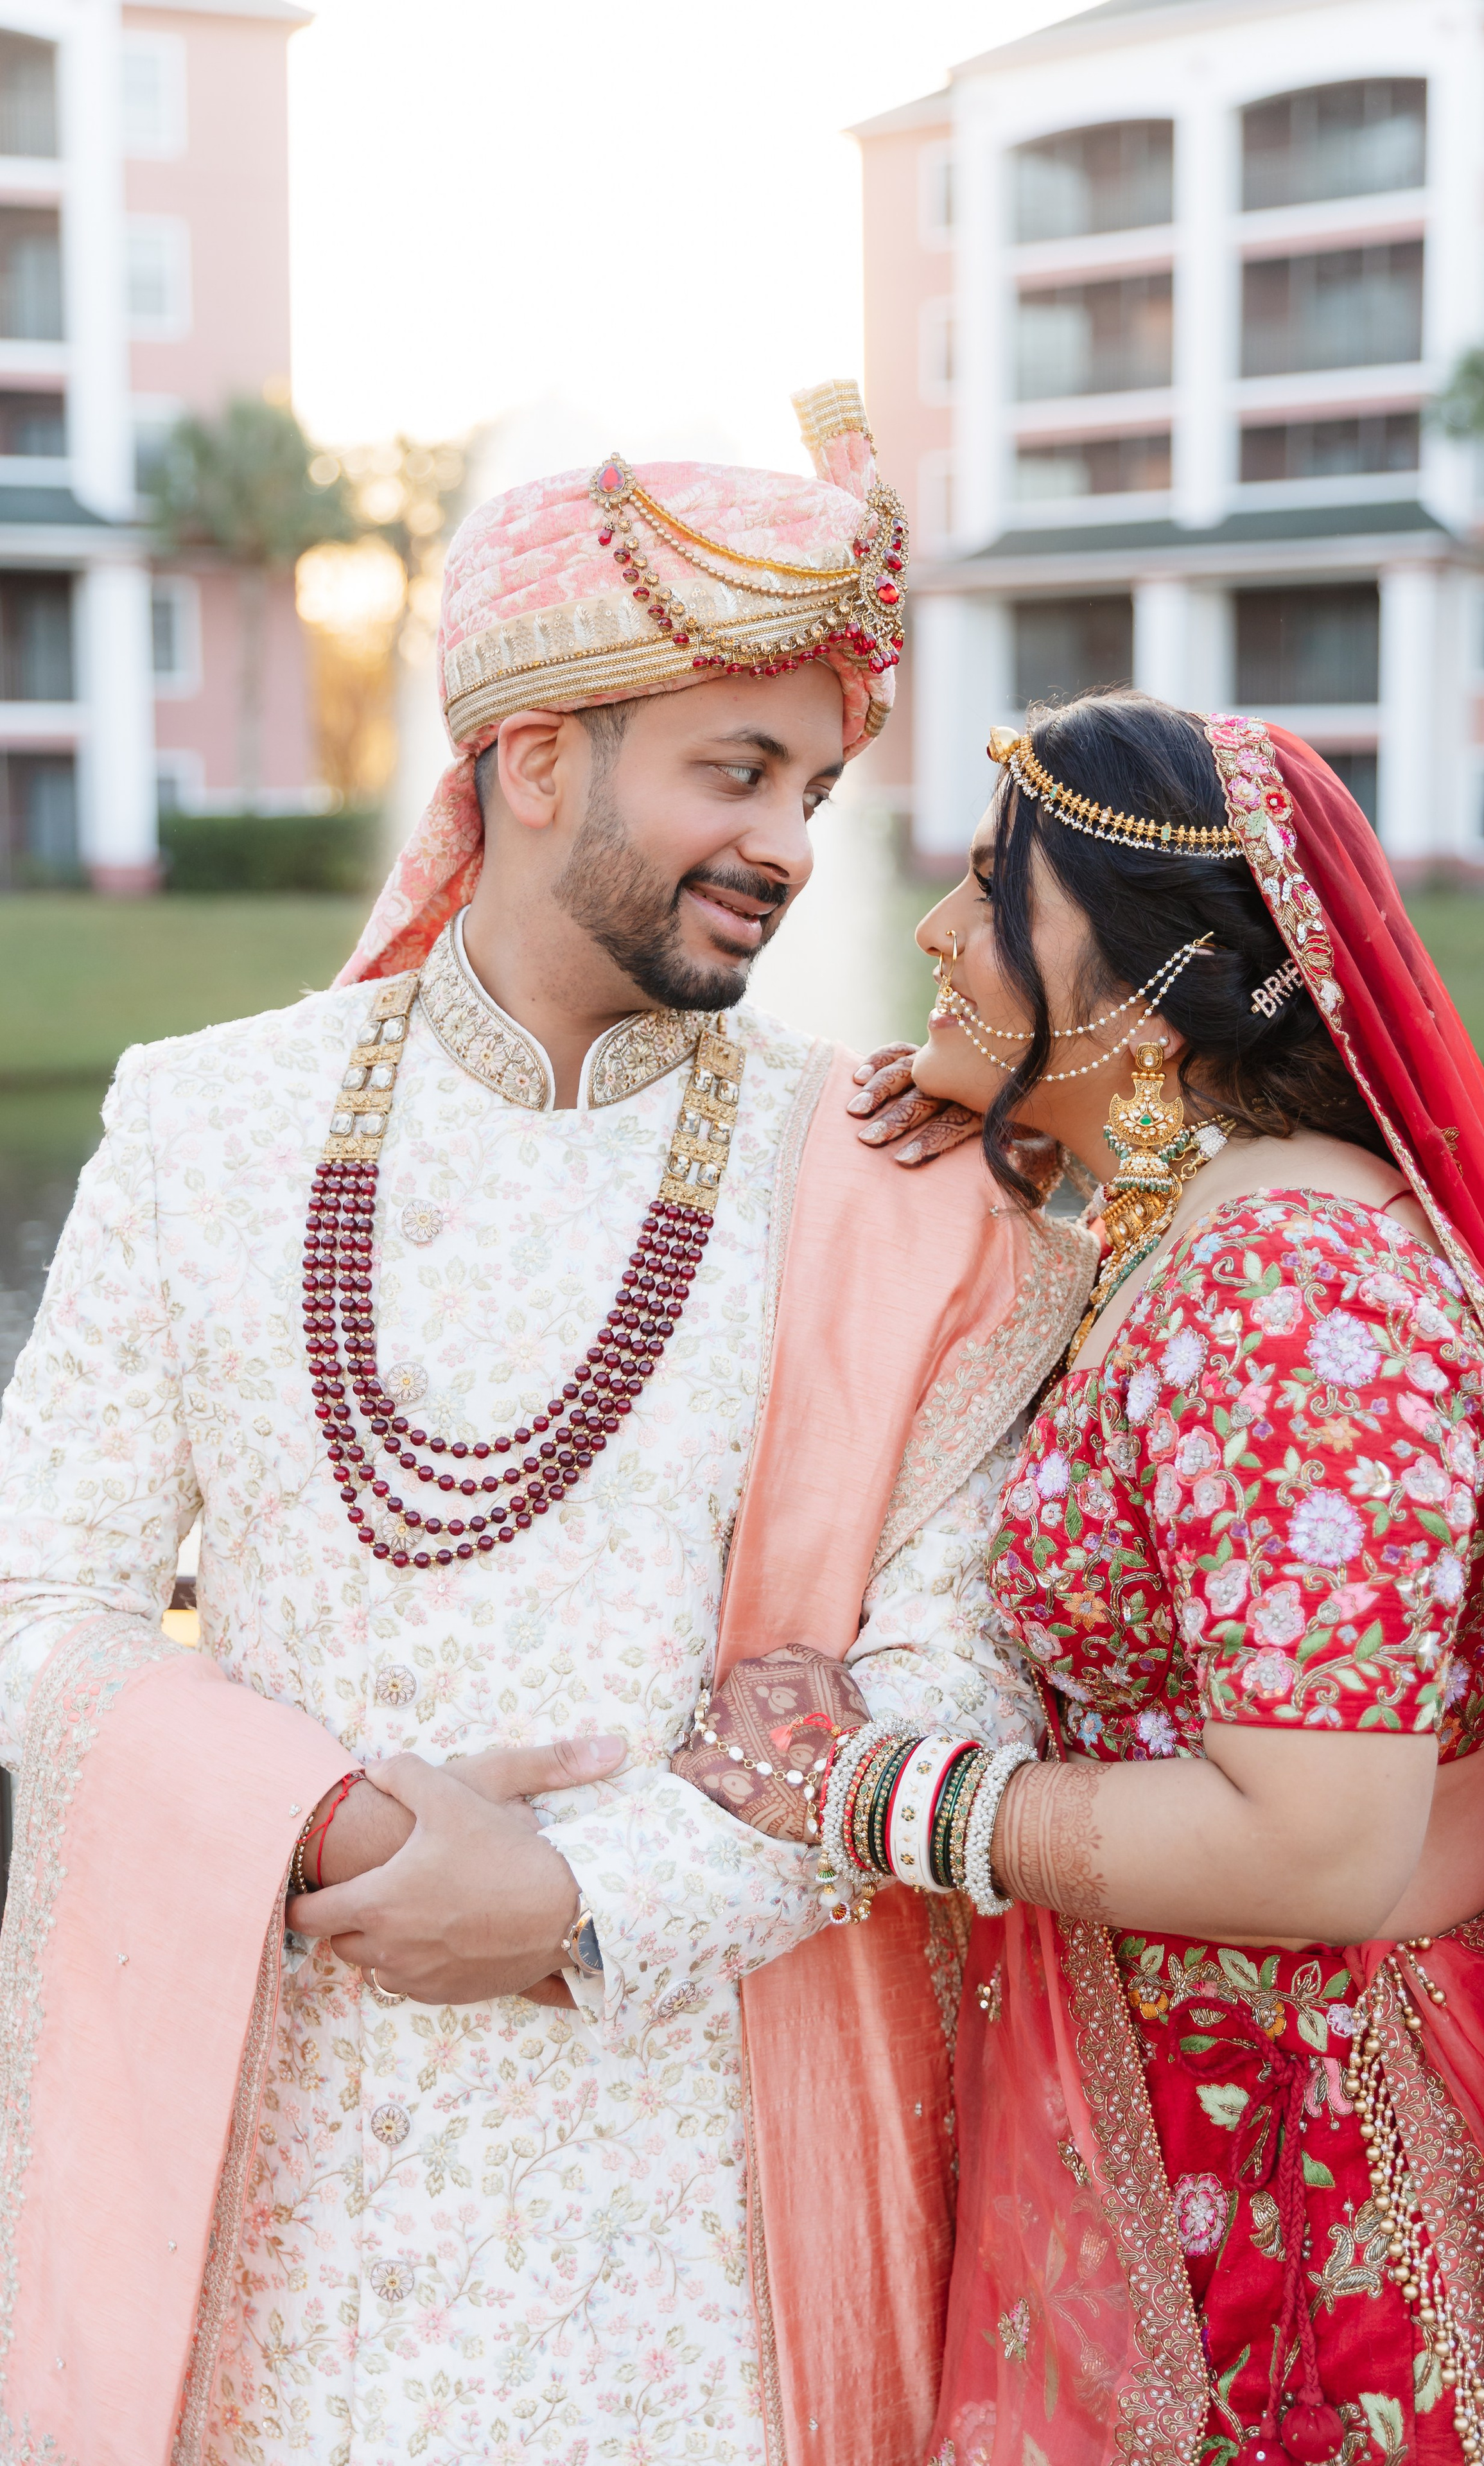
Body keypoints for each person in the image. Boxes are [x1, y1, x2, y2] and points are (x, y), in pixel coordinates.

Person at [0, 387, 1092, 2466]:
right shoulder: (204, 1121)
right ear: (529, 759)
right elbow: (37, 1591)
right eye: (737, 771)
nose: (790, 843)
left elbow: (954, 1677)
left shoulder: (882, 1178)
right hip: (282, 2169)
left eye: (817, 785)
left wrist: (586, 1906)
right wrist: (321, 1821)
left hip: (694, 2210)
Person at [688, 690, 1484, 2463]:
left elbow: (1318, 1841)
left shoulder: (1293, 1294)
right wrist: (1015, 1144)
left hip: (1305, 2195)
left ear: (1150, 972)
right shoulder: (1214, 1235)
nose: (931, 929)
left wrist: (875, 1793)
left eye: (990, 893)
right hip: (1200, 2126)